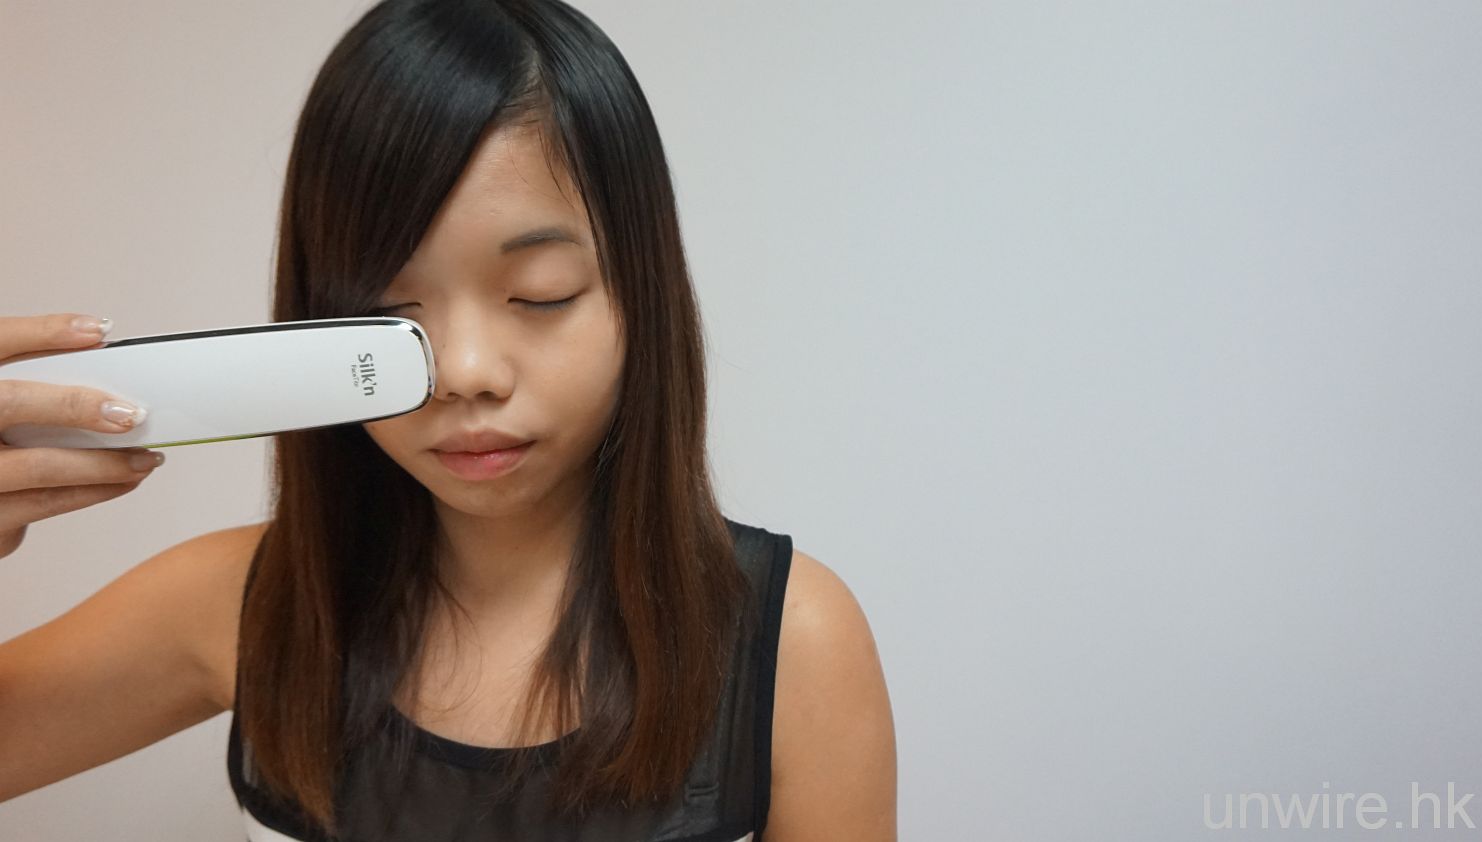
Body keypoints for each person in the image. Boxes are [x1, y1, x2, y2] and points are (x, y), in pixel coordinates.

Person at [0, 0, 896, 840]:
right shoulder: (237, 604)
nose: (463, 373)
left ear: (641, 291)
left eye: (541, 294)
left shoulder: (790, 642)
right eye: (388, 310)